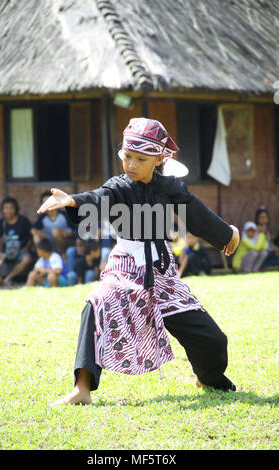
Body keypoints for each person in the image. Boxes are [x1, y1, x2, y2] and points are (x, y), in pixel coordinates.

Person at [37, 117, 240, 406]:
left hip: (162, 272)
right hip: (125, 268)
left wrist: (226, 235)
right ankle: (82, 388)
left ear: (158, 159)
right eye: (127, 157)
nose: (131, 165)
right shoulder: (118, 187)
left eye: (140, 159)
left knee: (214, 340)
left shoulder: (171, 188)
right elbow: (100, 197)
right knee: (95, 304)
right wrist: (73, 201)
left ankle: (207, 377)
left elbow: (195, 214)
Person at [0, 197, 33, 286]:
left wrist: (26, 248)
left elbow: (30, 238)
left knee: (27, 259)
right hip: (5, 252)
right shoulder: (1, 223)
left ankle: (8, 278)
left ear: (16, 209)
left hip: (20, 251)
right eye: (6, 208)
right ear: (2, 210)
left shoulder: (23, 221)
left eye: (11, 208)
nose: (9, 211)